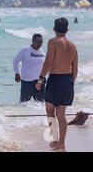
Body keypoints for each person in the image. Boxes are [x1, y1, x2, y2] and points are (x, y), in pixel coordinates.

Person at [36, 18, 78, 151]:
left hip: (55, 80)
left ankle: (55, 140)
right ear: (67, 30)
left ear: (54, 29)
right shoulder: (73, 46)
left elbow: (48, 62)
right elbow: (75, 68)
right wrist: (71, 82)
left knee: (50, 111)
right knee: (61, 114)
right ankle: (62, 143)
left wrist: (40, 79)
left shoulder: (52, 42)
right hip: (67, 81)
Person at [13, 34, 46, 102]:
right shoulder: (25, 50)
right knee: (23, 103)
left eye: (41, 42)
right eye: (38, 42)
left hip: (39, 82)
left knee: (42, 103)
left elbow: (45, 65)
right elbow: (15, 61)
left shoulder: (42, 51)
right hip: (27, 82)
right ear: (32, 41)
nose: (40, 44)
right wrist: (17, 73)